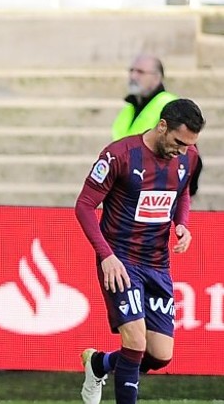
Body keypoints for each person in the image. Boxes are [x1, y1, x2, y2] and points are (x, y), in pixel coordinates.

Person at [75, 98, 205, 404]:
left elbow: (182, 190)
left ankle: (98, 364)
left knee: (160, 355)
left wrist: (181, 223)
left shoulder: (189, 158)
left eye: (189, 145)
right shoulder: (119, 154)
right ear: (162, 126)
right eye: (179, 142)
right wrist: (105, 256)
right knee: (134, 340)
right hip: (120, 260)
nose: (183, 150)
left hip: (157, 263)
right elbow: (84, 206)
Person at [112, 53, 202, 195]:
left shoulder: (170, 106)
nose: (133, 76)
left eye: (140, 72)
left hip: (157, 191)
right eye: (131, 71)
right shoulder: (129, 107)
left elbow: (190, 154)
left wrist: (183, 195)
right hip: (129, 189)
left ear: (157, 77)